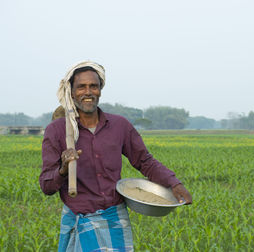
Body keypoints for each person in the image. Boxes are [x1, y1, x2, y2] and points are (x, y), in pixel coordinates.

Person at [39, 61, 192, 251]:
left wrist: (174, 183)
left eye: (93, 86)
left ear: (100, 90)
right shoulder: (56, 131)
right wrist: (63, 169)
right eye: (81, 87)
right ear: (71, 92)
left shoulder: (119, 126)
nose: (88, 92)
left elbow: (144, 161)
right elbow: (46, 186)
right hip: (79, 219)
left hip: (114, 218)